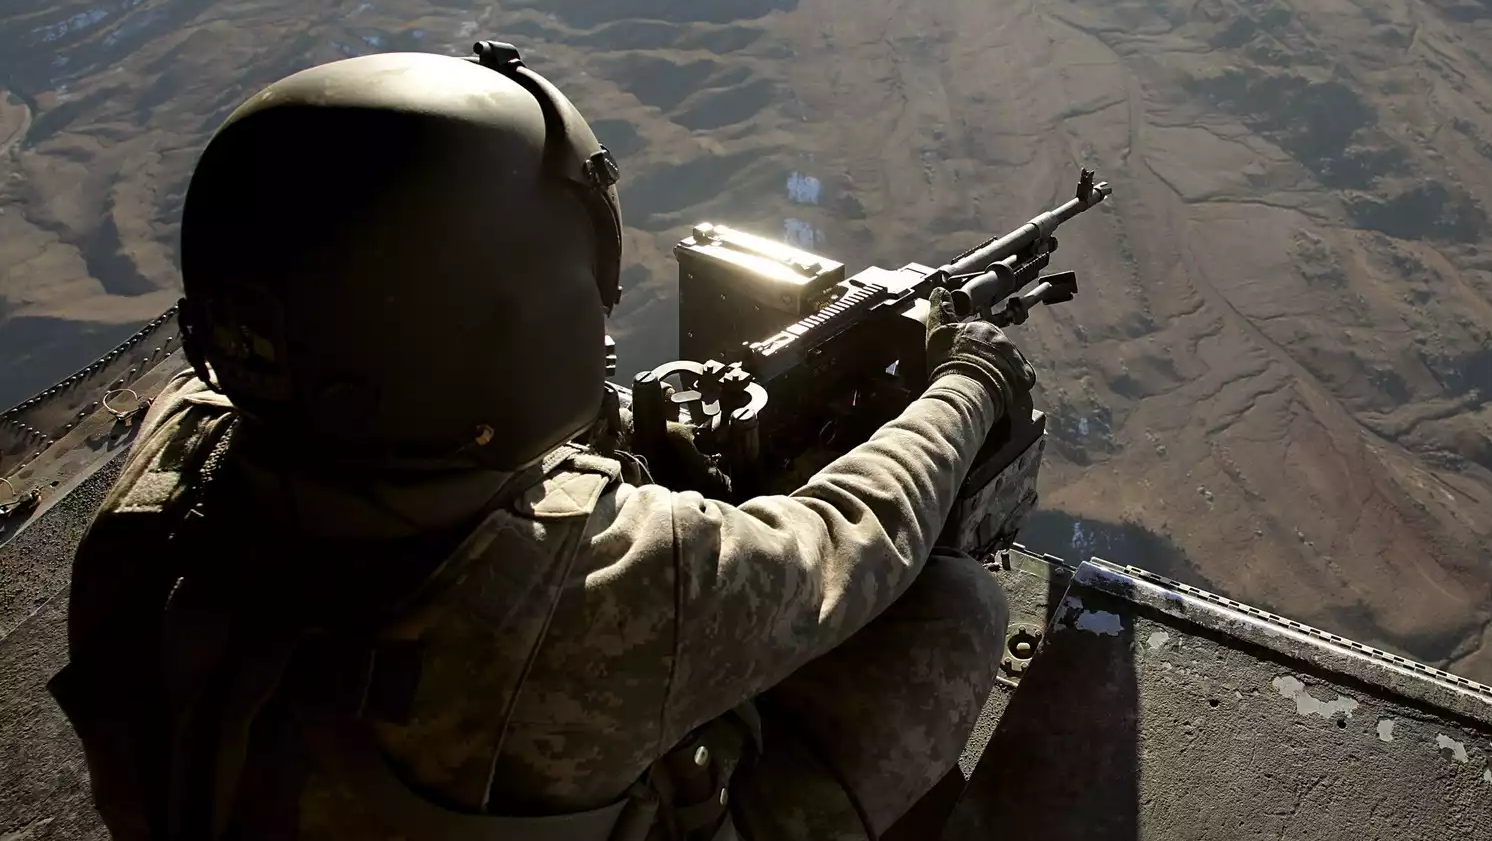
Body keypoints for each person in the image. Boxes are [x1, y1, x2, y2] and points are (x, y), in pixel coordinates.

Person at [50, 43, 1038, 841]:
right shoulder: (599, 585)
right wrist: (970, 381)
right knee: (956, 608)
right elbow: (853, 539)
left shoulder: (162, 478)